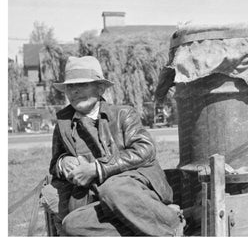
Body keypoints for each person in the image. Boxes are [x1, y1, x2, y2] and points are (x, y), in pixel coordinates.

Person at [41, 56, 185, 236]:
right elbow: (54, 165)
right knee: (72, 224)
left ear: (100, 88)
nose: (75, 91)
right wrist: (64, 163)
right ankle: (160, 219)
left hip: (135, 190)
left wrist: (97, 169)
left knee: (113, 188)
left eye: (82, 85)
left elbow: (146, 150)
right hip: (96, 198)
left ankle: (172, 230)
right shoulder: (63, 124)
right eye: (70, 86)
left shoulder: (123, 114)